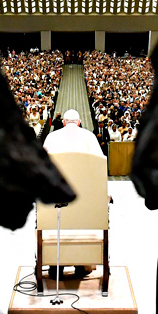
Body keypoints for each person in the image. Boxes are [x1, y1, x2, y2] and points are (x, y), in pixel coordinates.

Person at [42, 109, 104, 279]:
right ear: (79, 122)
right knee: (80, 227)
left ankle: (55, 267)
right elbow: (100, 166)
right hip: (84, 195)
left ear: (63, 122)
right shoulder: (89, 137)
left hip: (57, 196)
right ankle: (81, 266)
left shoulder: (52, 137)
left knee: (57, 228)